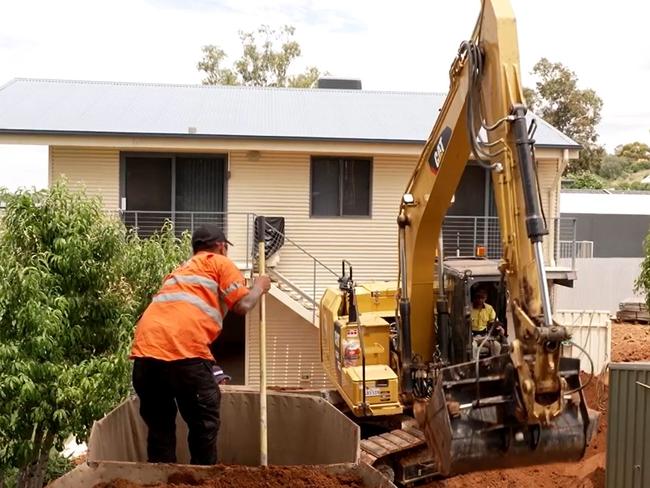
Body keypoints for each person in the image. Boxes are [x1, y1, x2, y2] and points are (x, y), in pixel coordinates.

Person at [130, 224, 271, 465]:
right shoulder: (219, 262)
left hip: (145, 360)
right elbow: (243, 305)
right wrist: (260, 285)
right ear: (220, 246)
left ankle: (161, 481)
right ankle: (202, 479)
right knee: (203, 428)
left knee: (160, 432)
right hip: (184, 358)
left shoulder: (178, 272)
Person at [470, 286, 503, 359]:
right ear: (474, 298)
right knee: (473, 348)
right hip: (472, 337)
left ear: (486, 298)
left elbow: (494, 321)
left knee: (496, 346)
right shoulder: (469, 308)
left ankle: (494, 364)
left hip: (484, 336)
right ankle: (474, 366)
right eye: (478, 297)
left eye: (482, 298)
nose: (480, 300)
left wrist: (499, 327)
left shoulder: (489, 308)